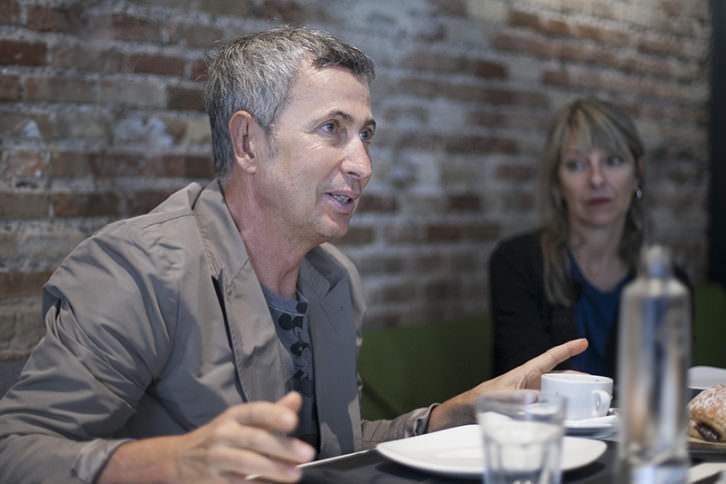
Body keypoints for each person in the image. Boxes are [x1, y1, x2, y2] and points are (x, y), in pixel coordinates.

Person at [0, 27, 587, 484]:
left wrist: (451, 415)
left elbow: (331, 448)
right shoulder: (135, 270)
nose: (363, 164)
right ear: (248, 141)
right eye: (331, 128)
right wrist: (171, 462)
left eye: (366, 134)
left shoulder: (335, 281)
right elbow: (16, 451)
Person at [489, 97, 688, 379]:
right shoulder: (516, 263)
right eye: (577, 165)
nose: (596, 179)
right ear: (557, 182)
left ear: (637, 174)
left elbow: (664, 388)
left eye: (613, 161)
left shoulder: (668, 285)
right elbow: (523, 384)